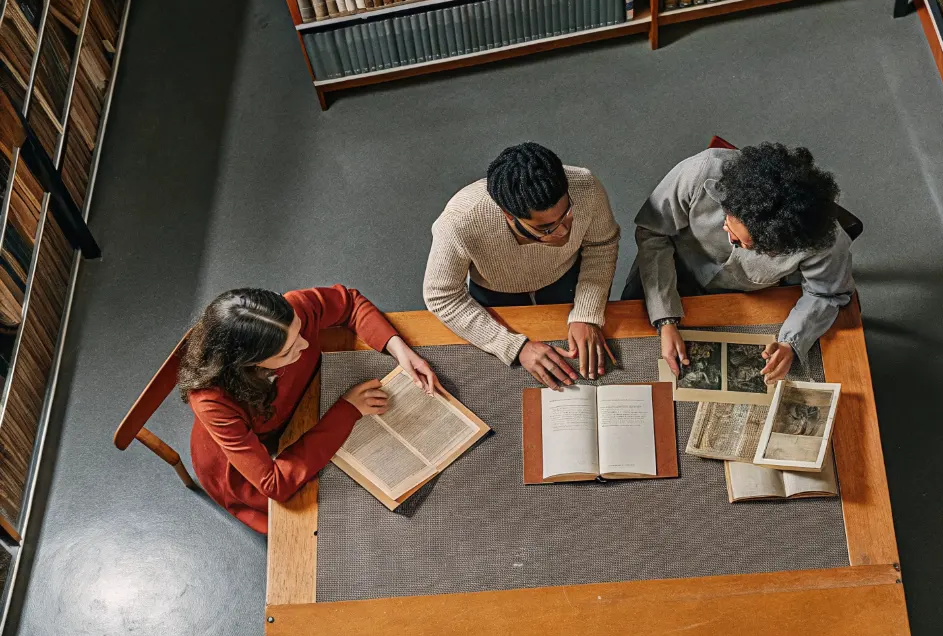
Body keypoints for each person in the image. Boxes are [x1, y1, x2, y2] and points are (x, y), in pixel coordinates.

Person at [179, 285, 438, 533]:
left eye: (300, 331)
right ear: (248, 364)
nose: (305, 345)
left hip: (301, 403)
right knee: (330, 515)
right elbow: (273, 483)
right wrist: (348, 410)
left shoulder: (292, 311)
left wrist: (399, 349)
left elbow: (349, 303)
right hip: (241, 452)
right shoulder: (211, 401)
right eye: (288, 351)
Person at [624, 142, 854, 384]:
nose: (730, 239)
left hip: (745, 297)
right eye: (729, 225)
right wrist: (665, 318)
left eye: (748, 245)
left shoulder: (824, 242)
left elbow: (826, 293)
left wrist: (791, 342)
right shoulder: (700, 171)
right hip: (666, 266)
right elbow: (653, 232)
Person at [424, 142, 620, 389]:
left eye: (567, 214)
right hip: (495, 291)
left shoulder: (586, 186)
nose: (563, 233)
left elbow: (601, 244)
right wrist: (514, 347)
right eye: (545, 228)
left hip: (564, 277)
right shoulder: (460, 220)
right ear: (508, 214)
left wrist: (586, 313)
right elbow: (442, 297)